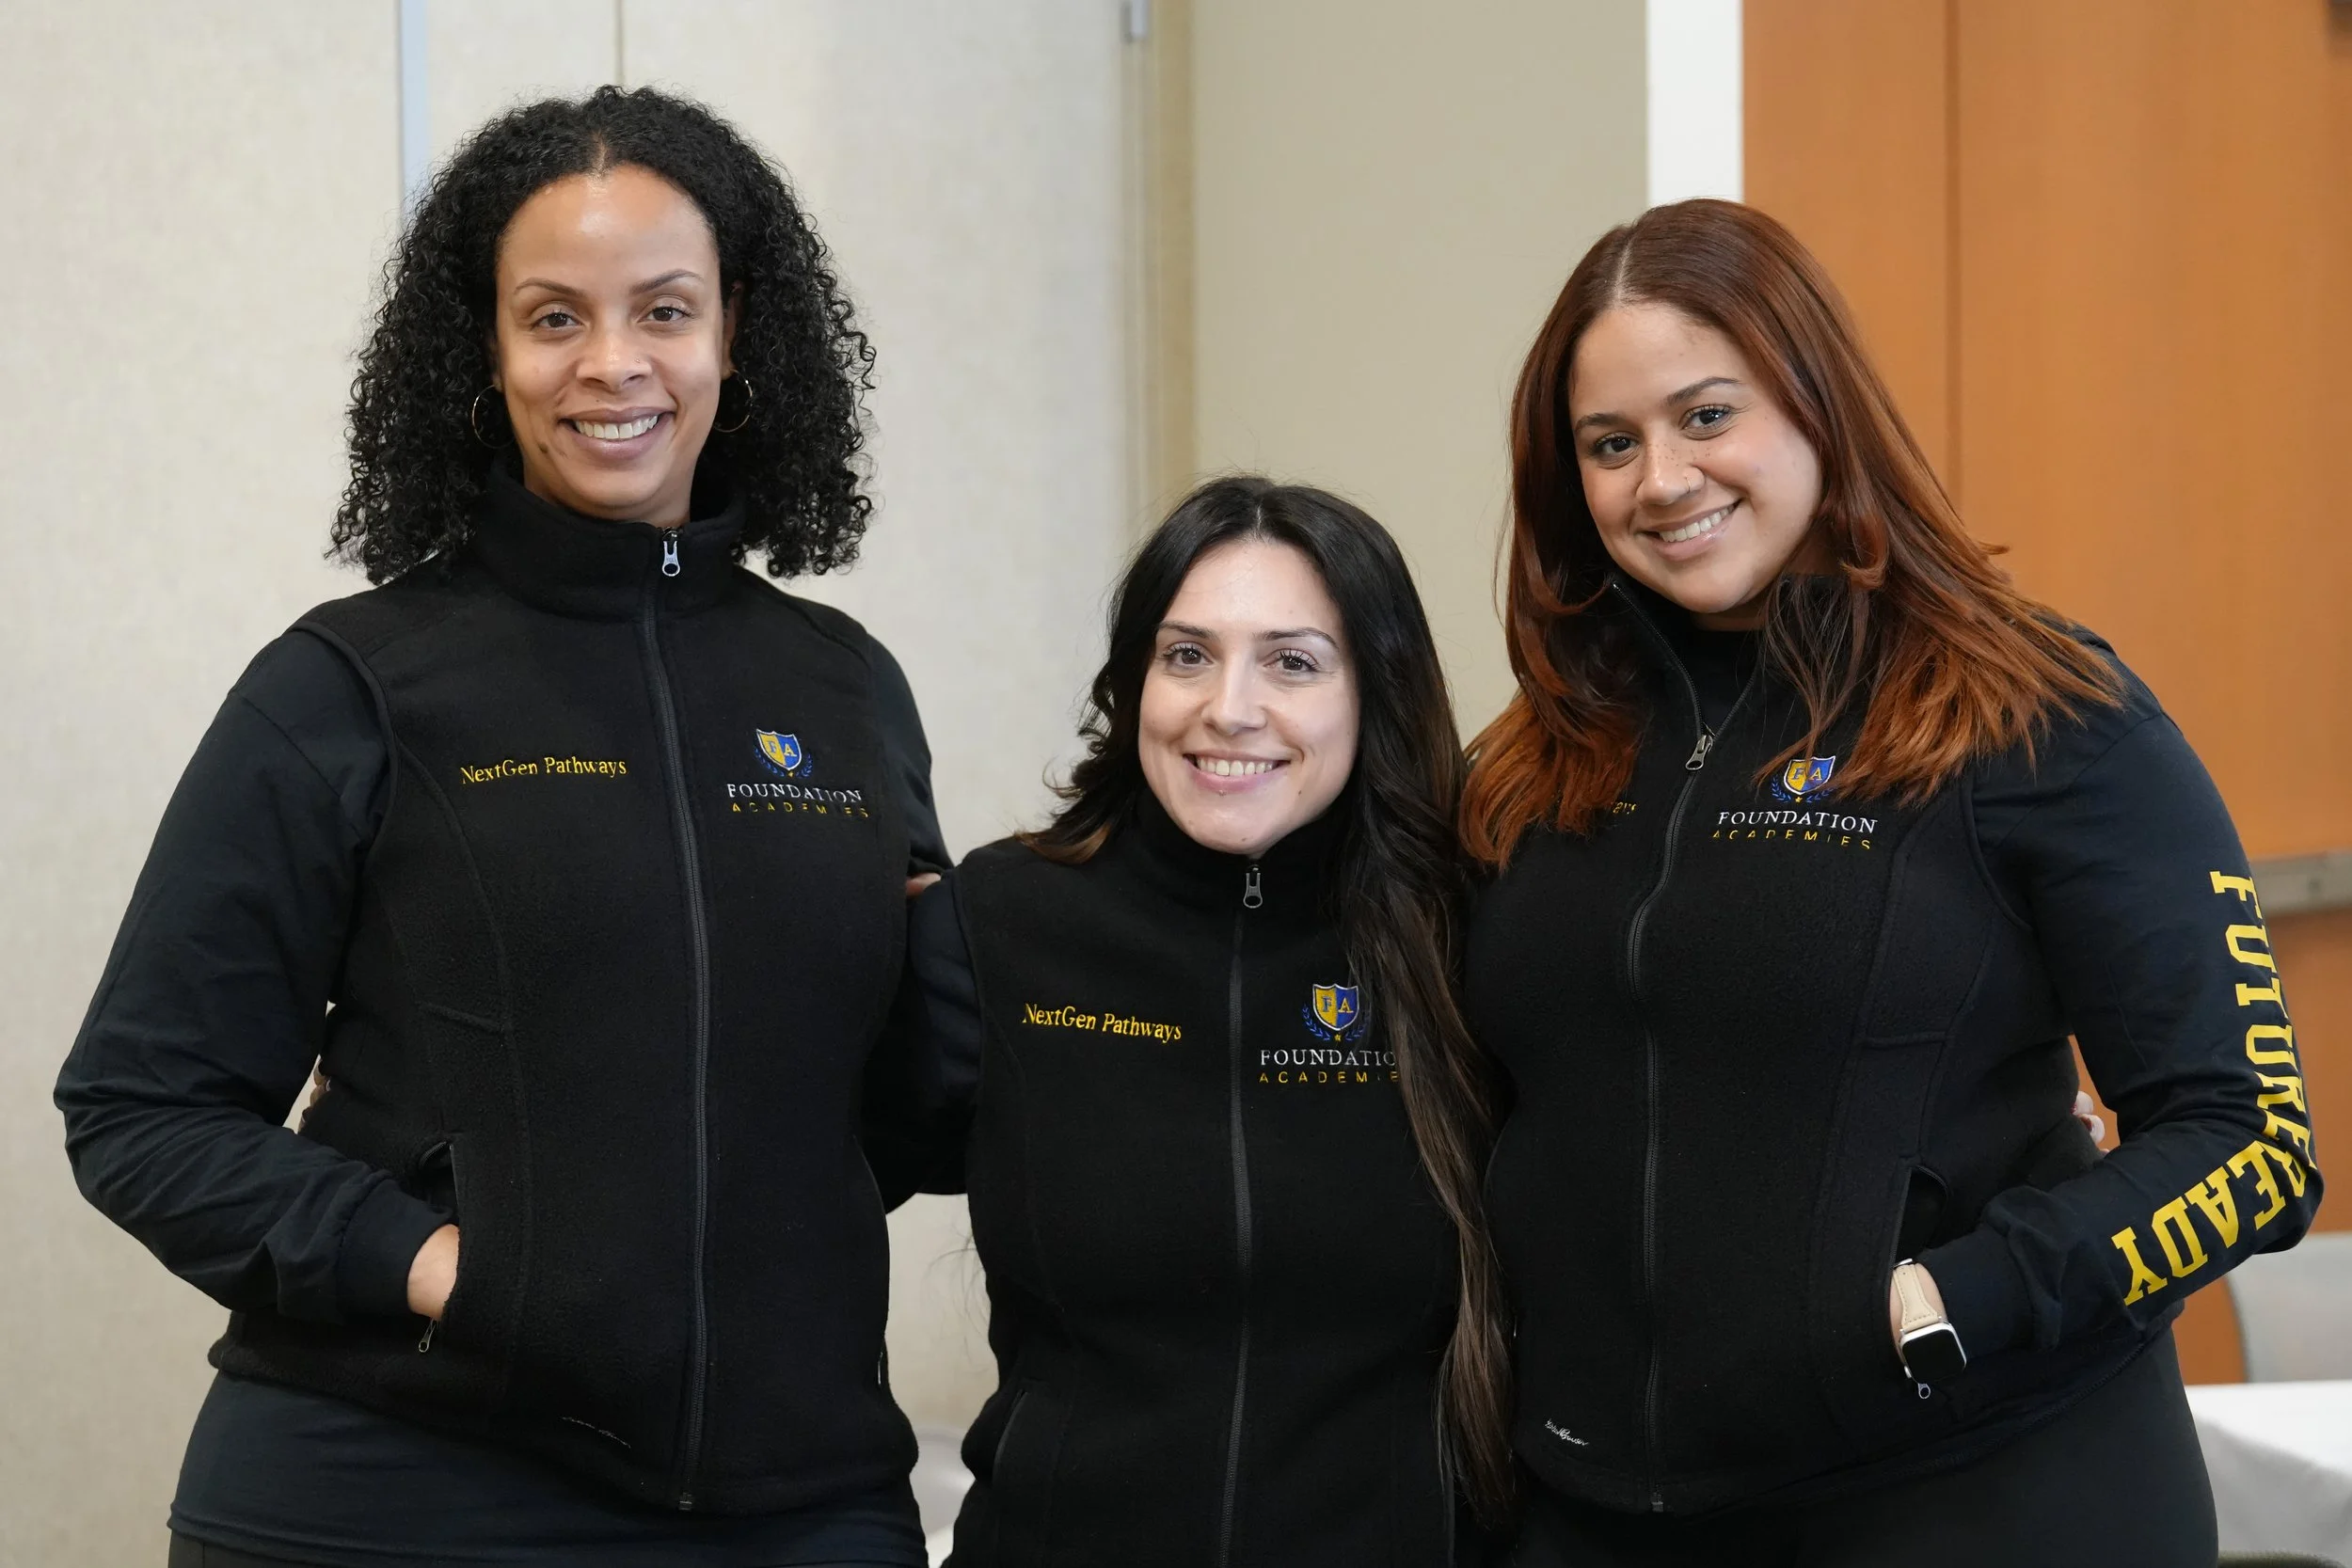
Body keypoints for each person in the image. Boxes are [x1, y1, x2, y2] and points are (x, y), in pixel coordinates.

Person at [56, 87, 944, 1568]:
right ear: (486, 349)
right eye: (553, 317)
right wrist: (436, 1262)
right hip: (394, 1493)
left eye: (665, 309)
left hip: (795, 1492)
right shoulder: (349, 683)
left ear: (737, 333)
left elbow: (851, 1116)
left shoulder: (845, 690)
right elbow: (141, 1105)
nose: (613, 362)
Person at [1461, 198, 2322, 1566]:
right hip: (1605, 1505)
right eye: (1609, 443)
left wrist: (1950, 1300)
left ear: (1817, 402)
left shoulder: (2038, 713)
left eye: (1706, 415)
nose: (1661, 478)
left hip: (1981, 1487)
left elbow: (2252, 1144)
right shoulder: (1533, 758)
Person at [870, 478, 1510, 1566]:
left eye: (1292, 662)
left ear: (1376, 687)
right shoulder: (1000, 924)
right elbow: (793, 1205)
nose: (1230, 707)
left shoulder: (1475, 935)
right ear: (1134, 683)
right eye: (1187, 655)